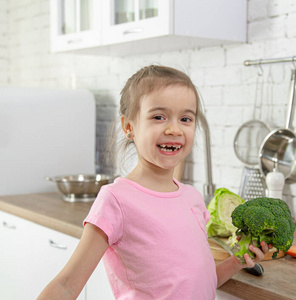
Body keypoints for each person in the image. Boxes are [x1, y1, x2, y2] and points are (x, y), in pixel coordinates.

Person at [37, 65, 271, 300]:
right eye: (159, 117)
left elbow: (200, 283)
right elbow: (66, 286)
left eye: (186, 118)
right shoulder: (116, 200)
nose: (174, 129)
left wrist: (237, 261)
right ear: (129, 127)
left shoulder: (192, 198)